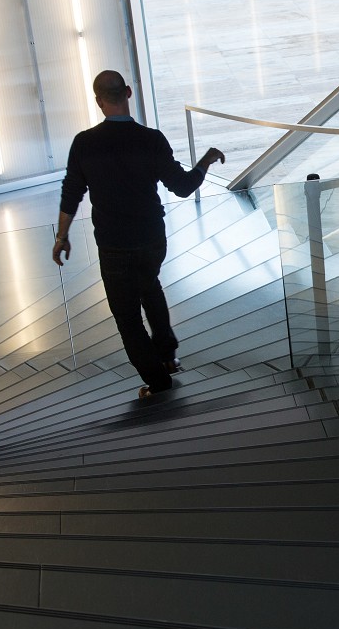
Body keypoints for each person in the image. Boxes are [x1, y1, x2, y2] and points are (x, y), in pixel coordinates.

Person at [52, 70, 224, 399]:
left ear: (99, 101)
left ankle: (157, 381)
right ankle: (168, 358)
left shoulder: (85, 143)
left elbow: (70, 193)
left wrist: (62, 237)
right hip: (151, 240)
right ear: (128, 93)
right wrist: (206, 159)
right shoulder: (151, 139)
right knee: (150, 288)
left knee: (127, 317)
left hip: (114, 244)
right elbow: (183, 186)